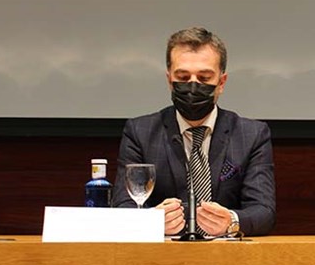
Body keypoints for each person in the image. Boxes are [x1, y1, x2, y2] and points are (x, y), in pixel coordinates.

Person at [112, 27, 276, 236]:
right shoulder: (140, 132)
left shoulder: (251, 134)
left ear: (221, 82)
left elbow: (263, 211)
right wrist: (152, 221)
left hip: (225, 252)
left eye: (204, 78)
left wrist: (231, 221)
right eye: (183, 77)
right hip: (163, 253)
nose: (192, 86)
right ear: (169, 80)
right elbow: (122, 206)